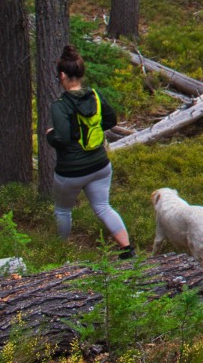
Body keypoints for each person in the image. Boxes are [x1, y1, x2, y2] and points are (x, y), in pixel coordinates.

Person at [45, 44, 134, 259]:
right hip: (100, 165)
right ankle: (127, 250)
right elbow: (111, 120)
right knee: (103, 206)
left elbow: (62, 138)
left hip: (71, 171)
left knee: (63, 210)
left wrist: (49, 135)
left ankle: (61, 253)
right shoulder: (95, 95)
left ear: (63, 75)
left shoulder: (60, 105)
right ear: (81, 73)